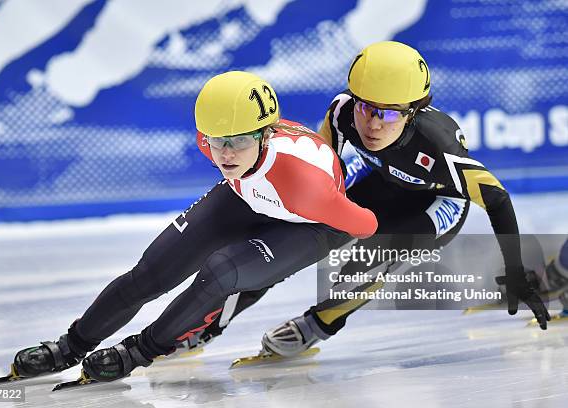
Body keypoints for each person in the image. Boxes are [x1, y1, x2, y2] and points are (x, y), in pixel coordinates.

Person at [0, 71, 378, 385]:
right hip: (252, 194)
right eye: (216, 141)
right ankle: (70, 345)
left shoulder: (305, 186)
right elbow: (228, 147)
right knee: (151, 272)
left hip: (314, 222)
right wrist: (235, 151)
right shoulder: (217, 141)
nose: (224, 153)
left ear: (265, 135)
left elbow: (365, 223)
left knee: (221, 272)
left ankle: (139, 351)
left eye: (238, 142)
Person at [176, 41, 551, 359]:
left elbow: (497, 199)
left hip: (435, 205)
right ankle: (207, 326)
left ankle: (319, 323)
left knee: (370, 257)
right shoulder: (342, 113)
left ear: (414, 111)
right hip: (378, 179)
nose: (372, 124)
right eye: (365, 106)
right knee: (288, 241)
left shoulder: (438, 147)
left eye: (388, 113)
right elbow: (324, 168)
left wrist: (515, 271)